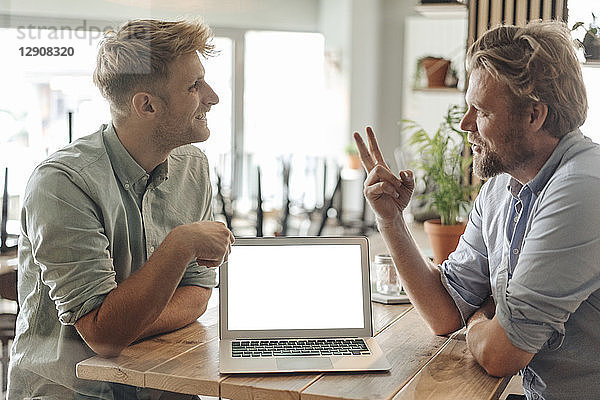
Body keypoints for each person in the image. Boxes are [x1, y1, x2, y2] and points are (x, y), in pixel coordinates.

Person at [354, 20, 600, 400]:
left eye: (481, 111)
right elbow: (444, 313)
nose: (465, 124)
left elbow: (501, 353)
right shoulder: (500, 188)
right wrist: (390, 219)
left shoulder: (583, 187)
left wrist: (479, 321)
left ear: (534, 115)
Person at [8, 19, 235, 399]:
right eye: (194, 86)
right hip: (73, 392)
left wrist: (125, 324)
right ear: (146, 105)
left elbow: (197, 291)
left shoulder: (192, 166)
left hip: (164, 384)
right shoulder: (62, 182)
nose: (212, 96)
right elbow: (104, 335)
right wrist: (181, 245)